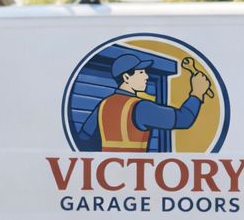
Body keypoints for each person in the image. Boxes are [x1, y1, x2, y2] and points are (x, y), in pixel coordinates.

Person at [80, 54, 209, 152]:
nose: (146, 76)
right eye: (141, 72)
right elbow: (184, 119)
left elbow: (84, 138)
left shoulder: (103, 105)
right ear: (126, 77)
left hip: (109, 169)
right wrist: (197, 93)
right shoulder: (141, 107)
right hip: (136, 170)